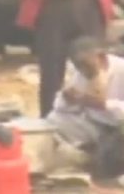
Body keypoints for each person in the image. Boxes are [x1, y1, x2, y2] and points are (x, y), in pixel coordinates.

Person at [46, 37, 124, 179]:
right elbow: (61, 108)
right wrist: (67, 98)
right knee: (54, 119)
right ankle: (92, 151)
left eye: (85, 65)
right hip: (96, 126)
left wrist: (106, 105)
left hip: (119, 126)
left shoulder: (121, 69)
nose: (83, 70)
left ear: (101, 57)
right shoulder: (81, 73)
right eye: (78, 66)